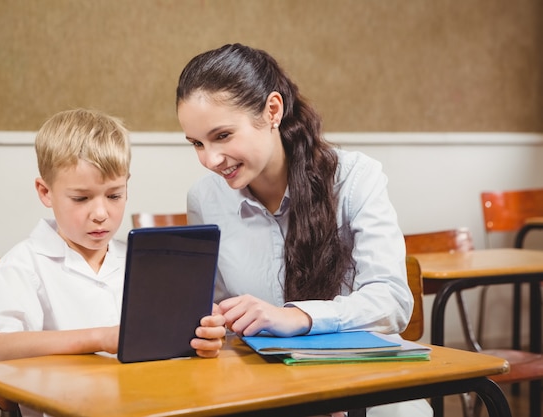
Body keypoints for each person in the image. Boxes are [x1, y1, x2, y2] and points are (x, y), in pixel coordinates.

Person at [176, 44, 433, 416]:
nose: (210, 159)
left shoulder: (355, 178)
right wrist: (211, 326)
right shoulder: (204, 198)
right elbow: (220, 320)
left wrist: (298, 317)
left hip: (368, 387)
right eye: (197, 143)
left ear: (272, 111)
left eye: (223, 136)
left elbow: (392, 303)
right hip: (269, 392)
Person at [0, 108, 225, 416]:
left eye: (114, 195)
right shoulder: (24, 265)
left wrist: (201, 338)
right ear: (45, 191)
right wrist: (101, 338)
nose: (100, 213)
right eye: (81, 198)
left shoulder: (141, 262)